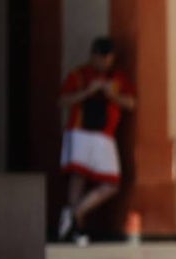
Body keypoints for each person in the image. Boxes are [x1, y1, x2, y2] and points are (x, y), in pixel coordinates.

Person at [57, 36, 136, 246]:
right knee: (78, 178)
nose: (104, 63)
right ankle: (75, 230)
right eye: (101, 58)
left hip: (105, 135)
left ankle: (73, 213)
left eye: (108, 59)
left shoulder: (118, 78)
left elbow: (130, 103)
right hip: (80, 132)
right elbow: (63, 100)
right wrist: (88, 91)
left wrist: (111, 94)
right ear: (93, 56)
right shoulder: (79, 75)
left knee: (111, 184)